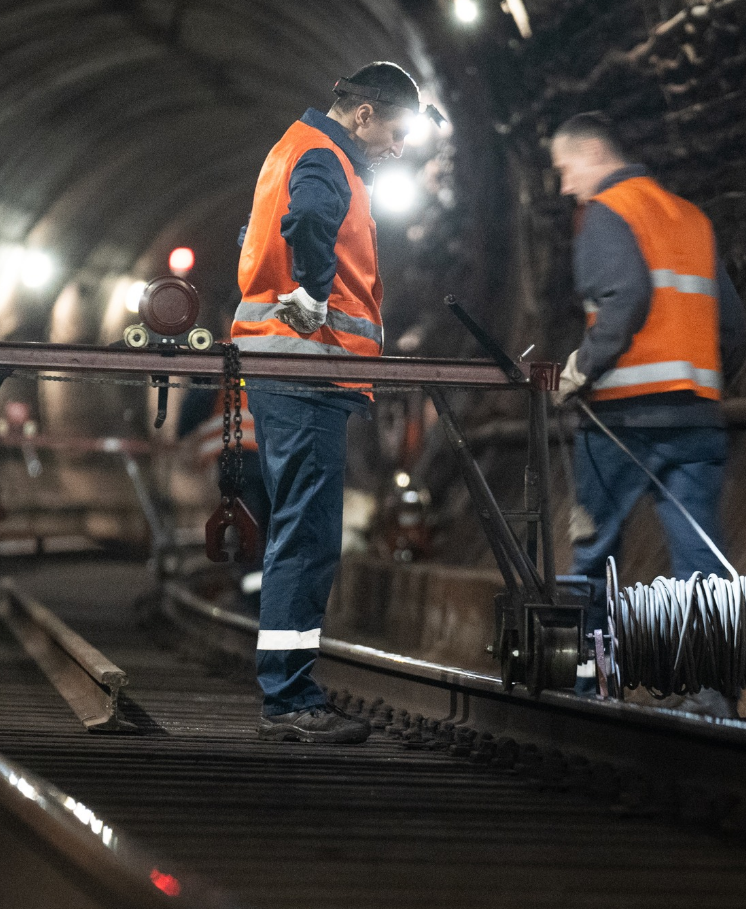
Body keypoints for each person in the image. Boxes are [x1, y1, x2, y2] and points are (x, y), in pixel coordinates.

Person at [230, 62, 421, 743]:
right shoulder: (322, 154)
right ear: (364, 113)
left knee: (303, 532)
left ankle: (290, 691)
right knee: (307, 535)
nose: (396, 148)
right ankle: (288, 698)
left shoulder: (300, 148)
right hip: (306, 369)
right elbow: (307, 218)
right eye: (395, 132)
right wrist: (311, 293)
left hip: (302, 371)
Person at [549, 112, 746, 692]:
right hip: (695, 419)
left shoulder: (606, 214)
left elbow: (626, 297)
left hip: (620, 422)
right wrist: (704, 384)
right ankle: (712, 692)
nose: (564, 187)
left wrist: (580, 370)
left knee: (595, 556)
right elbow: (734, 329)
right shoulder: (691, 217)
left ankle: (588, 687)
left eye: (565, 170)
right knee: (701, 559)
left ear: (593, 155)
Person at [175, 382, 267, 612]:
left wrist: (182, 431)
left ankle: (254, 602)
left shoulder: (226, 349)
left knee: (249, 528)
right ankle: (280, 599)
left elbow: (199, 395)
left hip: (241, 452)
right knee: (274, 527)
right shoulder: (288, 347)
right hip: (280, 450)